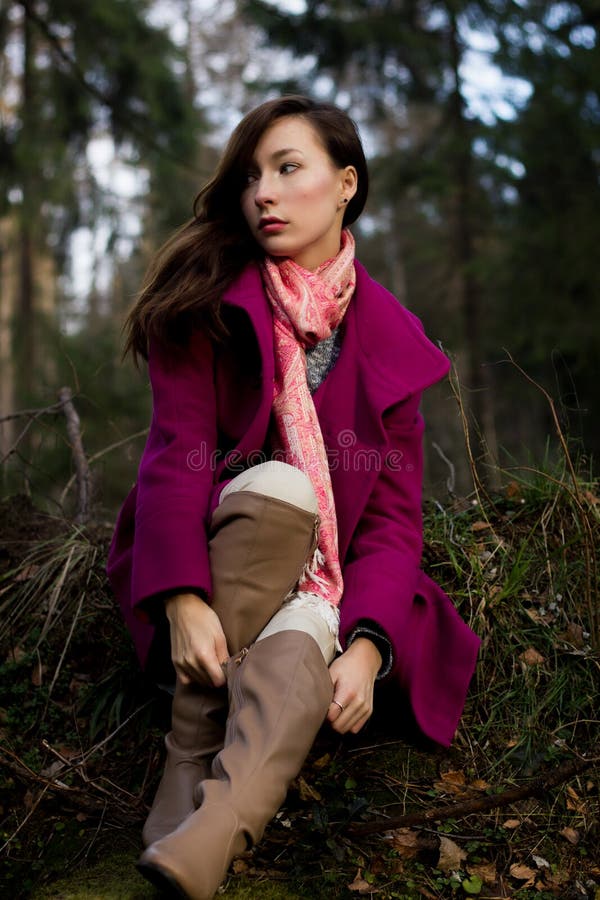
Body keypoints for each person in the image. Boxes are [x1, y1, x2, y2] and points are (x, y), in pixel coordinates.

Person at [106, 95, 480, 900]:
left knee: (309, 639)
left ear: (345, 185)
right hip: (216, 547)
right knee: (285, 487)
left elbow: (390, 518)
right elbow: (177, 455)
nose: (263, 194)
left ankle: (210, 835)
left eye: (287, 169)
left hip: (318, 580)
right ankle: (190, 739)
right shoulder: (205, 298)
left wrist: (368, 645)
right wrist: (182, 599)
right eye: (251, 178)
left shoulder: (390, 338)